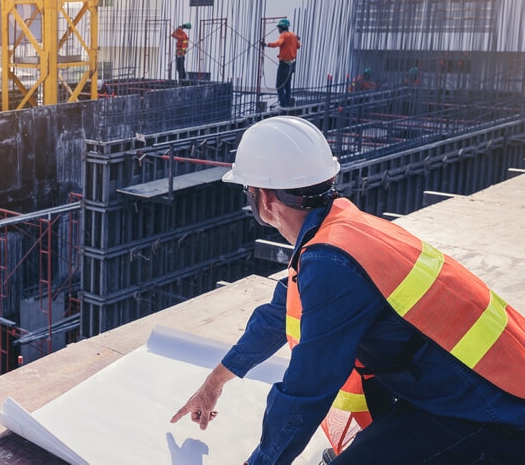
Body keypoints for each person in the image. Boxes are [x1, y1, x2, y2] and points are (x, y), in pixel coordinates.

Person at [170, 116, 525, 464]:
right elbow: (279, 315)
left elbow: (306, 390)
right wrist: (214, 383)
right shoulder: (341, 233)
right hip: (471, 392)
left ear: (263, 199)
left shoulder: (331, 263)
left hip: (490, 414)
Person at [263, 19, 300, 108]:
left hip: (284, 65)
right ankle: (287, 104)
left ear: (281, 28)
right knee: (287, 86)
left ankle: (282, 105)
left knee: (279, 85)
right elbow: (298, 46)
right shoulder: (293, 35)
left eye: (279, 28)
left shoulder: (283, 35)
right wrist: (296, 39)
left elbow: (278, 43)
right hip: (292, 64)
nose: (278, 30)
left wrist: (267, 44)